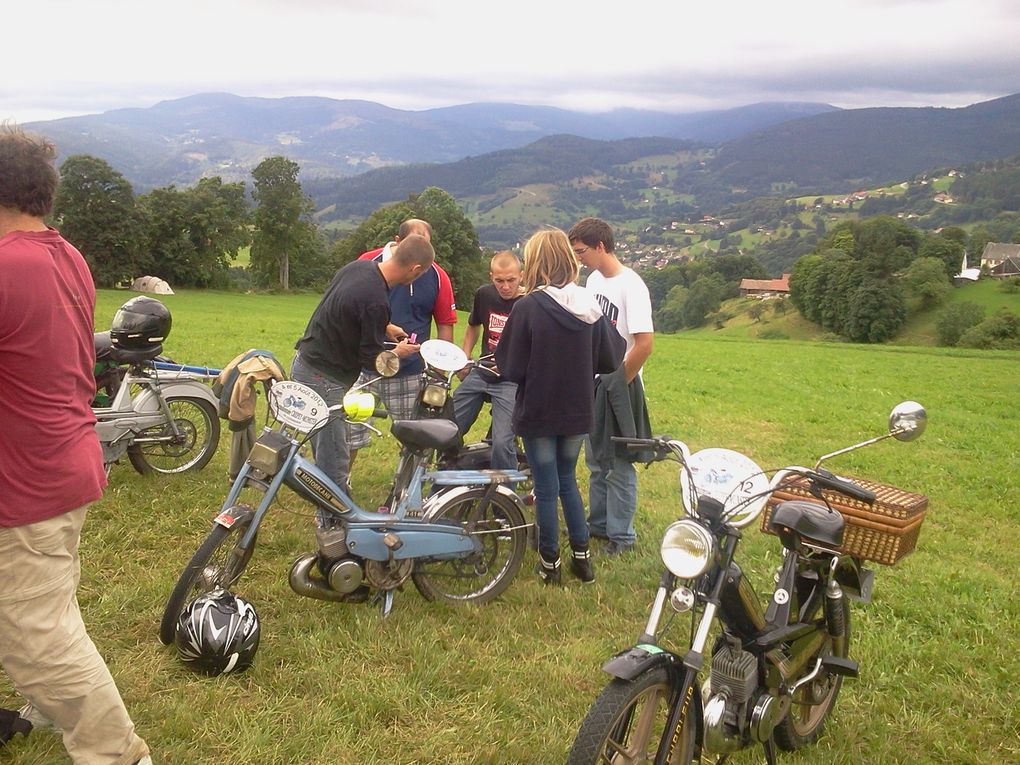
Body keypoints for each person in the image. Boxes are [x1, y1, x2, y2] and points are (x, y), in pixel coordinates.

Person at [0, 125, 152, 764]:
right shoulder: (61, 254)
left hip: (25, 481)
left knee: (41, 640)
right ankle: (32, 704)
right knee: (41, 608)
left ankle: (117, 755)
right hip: (64, 458)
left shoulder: (7, 266)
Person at [496, 229, 625, 585]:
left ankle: (549, 564)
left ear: (536, 262)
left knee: (546, 486)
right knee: (568, 480)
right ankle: (582, 559)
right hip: (578, 408)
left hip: (538, 410)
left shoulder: (527, 307)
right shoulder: (590, 306)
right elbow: (612, 357)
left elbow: (510, 366)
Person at [292, 234, 435, 499]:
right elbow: (374, 363)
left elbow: (345, 310)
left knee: (327, 450)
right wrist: (400, 354)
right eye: (421, 273)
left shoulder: (359, 268)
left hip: (303, 361)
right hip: (324, 379)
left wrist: (384, 327)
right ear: (416, 270)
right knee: (333, 460)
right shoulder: (377, 301)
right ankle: (333, 526)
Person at [568, 217, 654, 556]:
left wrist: (617, 383)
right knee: (596, 460)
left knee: (619, 463)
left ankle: (622, 537)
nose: (579, 259)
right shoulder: (593, 282)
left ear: (601, 246)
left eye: (582, 252)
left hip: (621, 385)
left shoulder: (631, 286)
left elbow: (645, 344)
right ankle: (599, 526)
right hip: (594, 382)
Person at [353, 218, 457, 427]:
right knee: (348, 436)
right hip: (362, 368)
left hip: (409, 372)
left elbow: (445, 325)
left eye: (425, 245)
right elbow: (353, 309)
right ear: (398, 241)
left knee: (414, 440)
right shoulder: (368, 262)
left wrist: (438, 374)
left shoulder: (438, 276)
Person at [451, 251, 524, 470]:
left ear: (521, 275)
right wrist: (465, 356)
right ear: (491, 276)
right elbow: (473, 325)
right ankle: (448, 480)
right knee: (448, 429)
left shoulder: (529, 302)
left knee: (502, 443)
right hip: (482, 370)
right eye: (499, 280)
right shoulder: (484, 295)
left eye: (511, 280)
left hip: (510, 380)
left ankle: (504, 496)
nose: (505, 286)